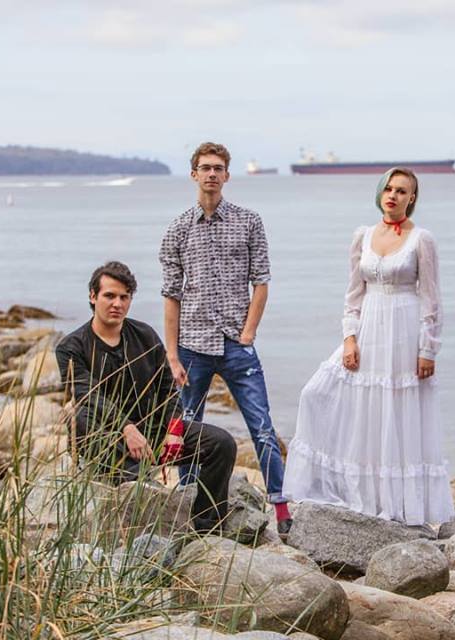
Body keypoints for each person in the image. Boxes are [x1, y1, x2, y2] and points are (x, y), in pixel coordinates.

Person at [283, 167, 455, 526]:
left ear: (412, 198)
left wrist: (428, 349)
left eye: (402, 191)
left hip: (404, 331)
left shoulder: (421, 239)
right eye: (388, 188)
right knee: (320, 395)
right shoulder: (362, 236)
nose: (393, 195)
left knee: (396, 412)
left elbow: (432, 299)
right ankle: (356, 491)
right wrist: (349, 338)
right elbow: (353, 295)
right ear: (380, 192)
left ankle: (398, 504)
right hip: (368, 329)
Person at [158, 142, 292, 536]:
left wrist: (248, 332)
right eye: (205, 168)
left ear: (227, 175)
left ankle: (281, 505)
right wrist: (171, 354)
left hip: (236, 344)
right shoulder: (178, 229)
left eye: (218, 168)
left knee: (262, 427)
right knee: (189, 428)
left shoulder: (249, 222)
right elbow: (171, 296)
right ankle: (188, 501)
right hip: (192, 346)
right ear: (194, 174)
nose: (212, 174)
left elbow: (261, 281)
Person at [55, 261, 237, 533]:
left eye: (124, 297)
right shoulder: (71, 347)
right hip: (109, 438)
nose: (117, 304)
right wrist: (126, 428)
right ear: (93, 297)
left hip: (152, 433)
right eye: (109, 296)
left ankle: (207, 528)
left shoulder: (144, 335)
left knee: (222, 444)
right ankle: (142, 494)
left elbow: (167, 388)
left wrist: (174, 429)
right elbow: (87, 394)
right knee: (80, 419)